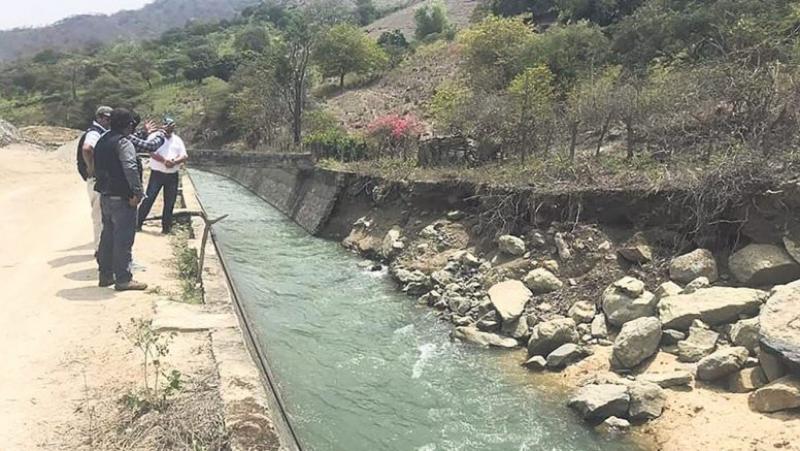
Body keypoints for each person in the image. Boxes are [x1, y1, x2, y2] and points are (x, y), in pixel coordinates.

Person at [93, 108, 147, 291]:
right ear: (129, 125)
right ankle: (123, 279)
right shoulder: (123, 143)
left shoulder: (102, 140)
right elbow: (130, 168)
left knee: (107, 236)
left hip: (105, 195)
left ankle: (105, 275)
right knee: (123, 239)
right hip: (123, 197)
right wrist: (137, 193)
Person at [136, 117, 188, 234]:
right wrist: (164, 160)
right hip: (157, 174)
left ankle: (166, 228)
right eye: (167, 126)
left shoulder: (178, 140)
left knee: (170, 202)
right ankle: (138, 223)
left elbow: (184, 155)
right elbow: (151, 151)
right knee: (149, 198)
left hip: (172, 175)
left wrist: (174, 161)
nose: (169, 128)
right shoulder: (154, 137)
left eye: (171, 126)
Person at [77, 106, 112, 252]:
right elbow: (87, 148)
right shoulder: (95, 132)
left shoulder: (101, 132)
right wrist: (91, 167)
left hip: (97, 180)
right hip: (97, 180)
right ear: (99, 117)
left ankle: (101, 249)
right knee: (100, 216)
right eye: (106, 118)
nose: (108, 121)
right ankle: (100, 250)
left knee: (101, 215)